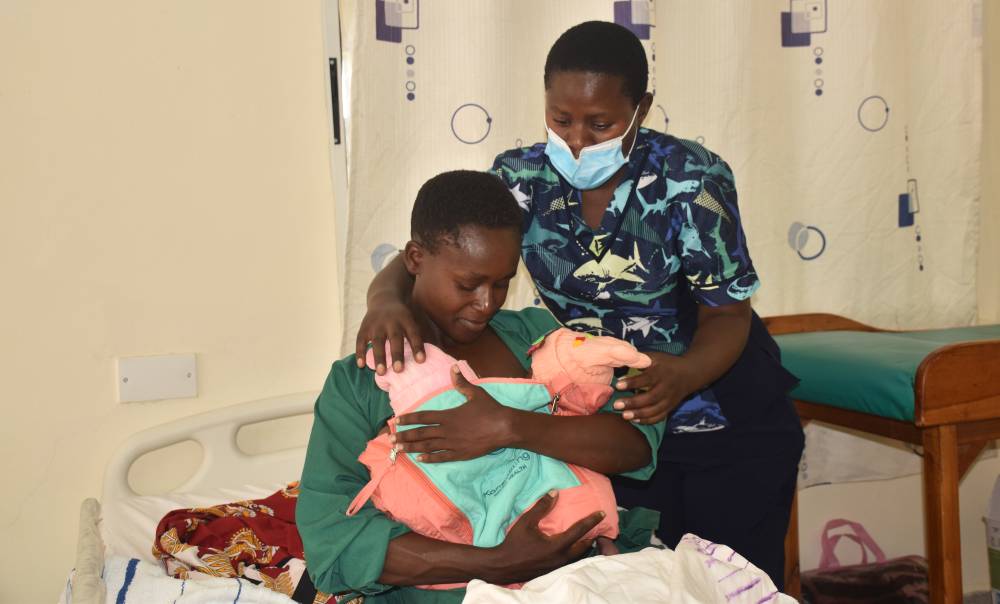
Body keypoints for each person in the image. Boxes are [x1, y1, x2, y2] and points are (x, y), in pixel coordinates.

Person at [356, 21, 804, 589]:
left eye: (600, 124)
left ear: (641, 109)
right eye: (561, 119)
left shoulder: (692, 179)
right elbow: (440, 248)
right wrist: (384, 299)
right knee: (640, 587)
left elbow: (728, 312)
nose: (576, 141)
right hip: (611, 429)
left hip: (724, 421)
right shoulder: (521, 179)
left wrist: (686, 373)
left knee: (731, 588)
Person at [297, 170, 662, 602]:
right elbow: (333, 541)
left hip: (581, 580)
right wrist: (496, 562)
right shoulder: (364, 380)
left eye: (502, 282)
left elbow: (635, 445)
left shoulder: (533, 338)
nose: (487, 303)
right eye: (467, 285)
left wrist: (511, 426)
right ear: (415, 259)